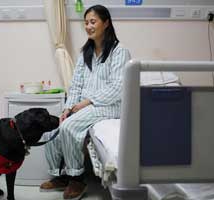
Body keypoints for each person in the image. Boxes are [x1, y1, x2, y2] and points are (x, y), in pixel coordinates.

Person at [40, 4, 131, 200]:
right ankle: (60, 175)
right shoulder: (85, 53)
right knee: (56, 126)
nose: (88, 26)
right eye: (86, 22)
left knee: (69, 128)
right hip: (86, 105)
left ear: (106, 23)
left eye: (93, 22)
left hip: (109, 106)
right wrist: (67, 108)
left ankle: (77, 179)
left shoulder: (119, 51)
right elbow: (76, 85)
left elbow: (117, 88)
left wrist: (85, 103)